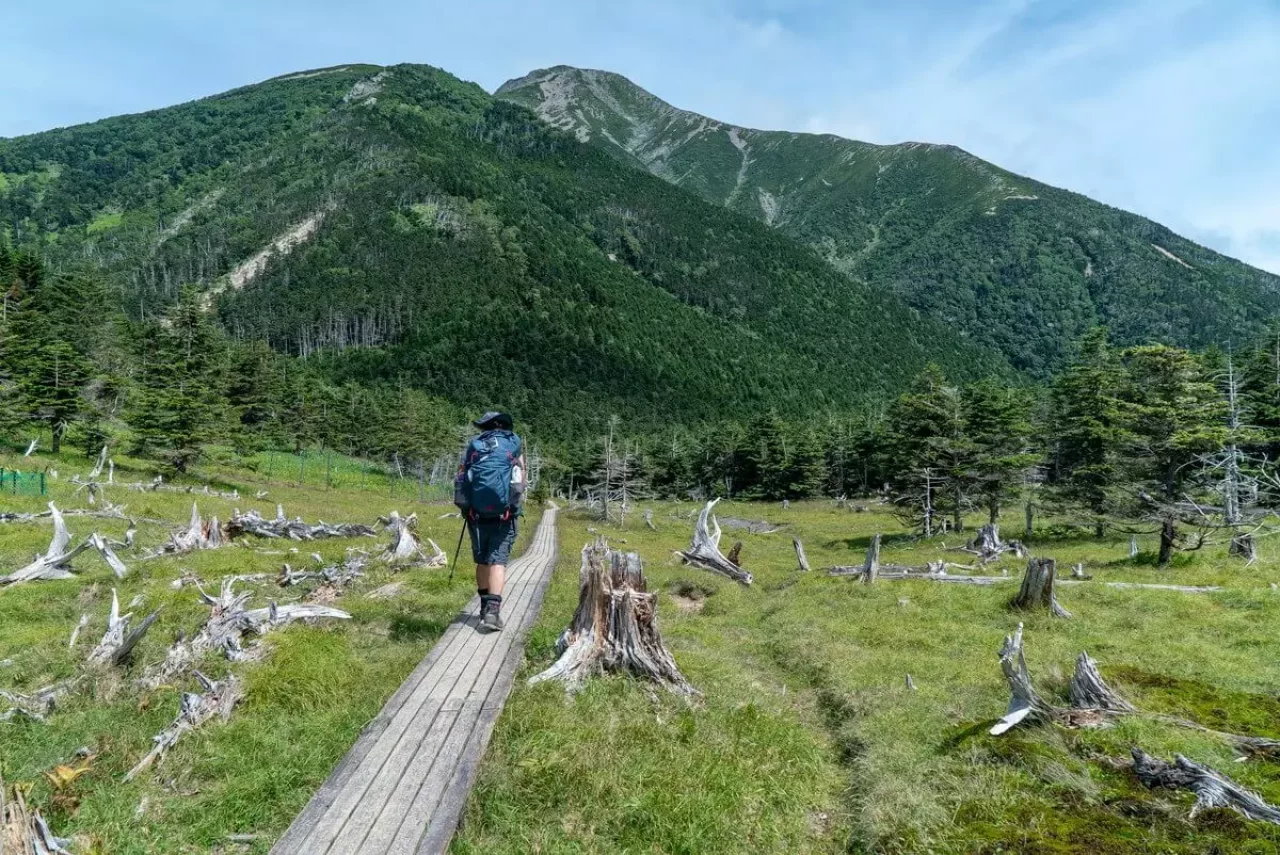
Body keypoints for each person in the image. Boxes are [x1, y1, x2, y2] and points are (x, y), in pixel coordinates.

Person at [455, 411, 526, 632]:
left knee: (483, 561)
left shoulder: (475, 445)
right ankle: (493, 614)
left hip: (476, 516)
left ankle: (484, 606)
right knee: (498, 561)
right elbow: (520, 480)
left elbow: (462, 476)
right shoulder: (514, 444)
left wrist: (466, 508)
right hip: (504, 516)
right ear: (506, 426)